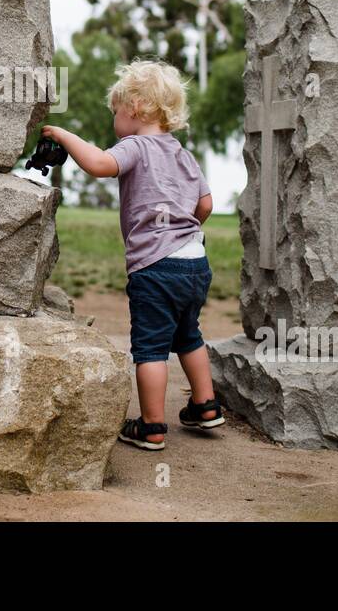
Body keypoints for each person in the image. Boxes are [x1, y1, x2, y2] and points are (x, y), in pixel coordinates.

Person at [41, 59, 223, 451]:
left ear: (136, 107)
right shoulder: (182, 154)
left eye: (115, 111)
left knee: (151, 346)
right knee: (189, 334)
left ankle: (152, 426)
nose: (113, 120)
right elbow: (205, 204)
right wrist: (181, 230)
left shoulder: (135, 146)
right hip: (194, 262)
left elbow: (99, 165)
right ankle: (205, 406)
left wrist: (65, 134)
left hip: (155, 267)